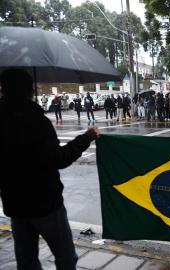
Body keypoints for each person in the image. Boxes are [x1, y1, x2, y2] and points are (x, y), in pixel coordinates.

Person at [0, 68, 100, 270]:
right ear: (29, 90)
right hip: (45, 202)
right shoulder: (37, 122)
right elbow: (59, 159)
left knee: (26, 260)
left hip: (15, 204)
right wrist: (86, 138)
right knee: (65, 257)